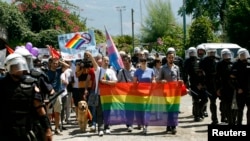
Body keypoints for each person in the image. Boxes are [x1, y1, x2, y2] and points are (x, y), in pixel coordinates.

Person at [0, 53, 52, 141]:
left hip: (27, 130)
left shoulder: (31, 84)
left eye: (20, 65)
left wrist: (47, 129)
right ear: (9, 67)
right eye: (16, 66)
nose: (19, 69)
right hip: (5, 131)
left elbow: (39, 108)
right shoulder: (1, 85)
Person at [86, 52, 118, 136]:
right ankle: (100, 128)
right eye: (105, 60)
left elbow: (115, 82)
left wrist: (105, 81)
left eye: (107, 61)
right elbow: (94, 63)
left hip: (109, 95)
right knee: (99, 112)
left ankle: (107, 127)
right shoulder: (98, 70)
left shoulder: (111, 71)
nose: (106, 62)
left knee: (107, 111)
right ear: (102, 61)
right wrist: (90, 55)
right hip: (100, 94)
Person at [159, 50, 183, 134]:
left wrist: (180, 81)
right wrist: (162, 80)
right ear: (167, 58)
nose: (171, 59)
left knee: (174, 109)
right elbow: (159, 79)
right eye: (169, 57)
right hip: (166, 91)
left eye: (172, 57)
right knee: (168, 109)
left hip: (175, 92)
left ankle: (173, 126)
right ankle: (169, 125)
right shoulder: (162, 68)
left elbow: (178, 78)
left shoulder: (177, 67)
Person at [183, 47, 208, 122]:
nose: (192, 54)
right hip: (193, 83)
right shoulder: (187, 61)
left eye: (193, 52)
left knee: (205, 99)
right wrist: (186, 82)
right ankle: (196, 116)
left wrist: (202, 83)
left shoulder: (200, 60)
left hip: (201, 83)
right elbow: (185, 73)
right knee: (196, 100)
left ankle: (200, 112)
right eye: (190, 52)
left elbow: (203, 72)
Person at [46, 58, 69, 135]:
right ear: (50, 64)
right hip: (49, 95)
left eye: (56, 63)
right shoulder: (47, 73)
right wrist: (50, 90)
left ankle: (57, 128)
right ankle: (49, 128)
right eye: (54, 63)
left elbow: (67, 66)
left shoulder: (59, 71)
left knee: (57, 112)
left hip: (58, 94)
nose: (55, 65)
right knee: (49, 113)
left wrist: (60, 61)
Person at [133, 56, 156, 135]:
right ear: (140, 62)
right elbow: (134, 82)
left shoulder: (151, 70)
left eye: (145, 60)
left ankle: (145, 125)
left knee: (147, 110)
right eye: (142, 60)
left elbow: (153, 79)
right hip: (140, 94)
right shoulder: (137, 71)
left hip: (149, 93)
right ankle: (143, 124)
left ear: (147, 62)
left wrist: (153, 81)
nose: (143, 62)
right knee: (142, 110)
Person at [199, 47, 219, 125]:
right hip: (207, 83)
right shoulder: (204, 61)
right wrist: (200, 83)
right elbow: (200, 73)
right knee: (205, 100)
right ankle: (200, 112)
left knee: (213, 102)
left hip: (216, 84)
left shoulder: (218, 60)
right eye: (210, 53)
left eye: (213, 52)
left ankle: (215, 119)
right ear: (207, 53)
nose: (212, 54)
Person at [216, 48, 236, 125]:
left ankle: (232, 120)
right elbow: (217, 77)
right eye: (224, 55)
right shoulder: (219, 64)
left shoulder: (233, 63)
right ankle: (227, 119)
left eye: (227, 54)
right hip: (223, 87)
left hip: (233, 87)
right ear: (222, 55)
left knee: (233, 106)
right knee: (225, 105)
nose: (226, 56)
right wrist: (218, 88)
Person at [230, 48, 250, 125]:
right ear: (239, 56)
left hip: (248, 91)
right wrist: (237, 88)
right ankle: (239, 123)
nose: (243, 56)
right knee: (240, 109)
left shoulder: (249, 64)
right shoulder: (235, 65)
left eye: (244, 54)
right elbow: (231, 79)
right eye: (241, 55)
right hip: (240, 91)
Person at [117, 55, 136, 132]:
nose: (125, 64)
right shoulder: (121, 72)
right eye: (124, 62)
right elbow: (117, 82)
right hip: (124, 94)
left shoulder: (135, 71)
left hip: (133, 93)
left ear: (130, 62)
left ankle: (131, 123)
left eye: (126, 62)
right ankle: (129, 125)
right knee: (127, 109)